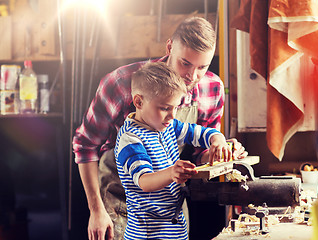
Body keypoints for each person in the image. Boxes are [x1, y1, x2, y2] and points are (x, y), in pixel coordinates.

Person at [73, 16, 248, 240]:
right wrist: (96, 210)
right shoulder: (121, 83)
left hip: (170, 210)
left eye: (202, 67)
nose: (191, 77)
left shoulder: (211, 88)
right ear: (169, 47)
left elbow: (199, 155)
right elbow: (85, 146)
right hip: (122, 206)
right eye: (185, 63)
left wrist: (220, 151)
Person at [114, 62, 232, 239]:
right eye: (164, 108)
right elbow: (144, 181)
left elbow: (200, 133)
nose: (172, 115)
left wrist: (218, 140)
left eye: (176, 107)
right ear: (138, 101)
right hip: (149, 233)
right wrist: (171, 173)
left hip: (174, 228)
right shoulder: (130, 139)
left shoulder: (167, 126)